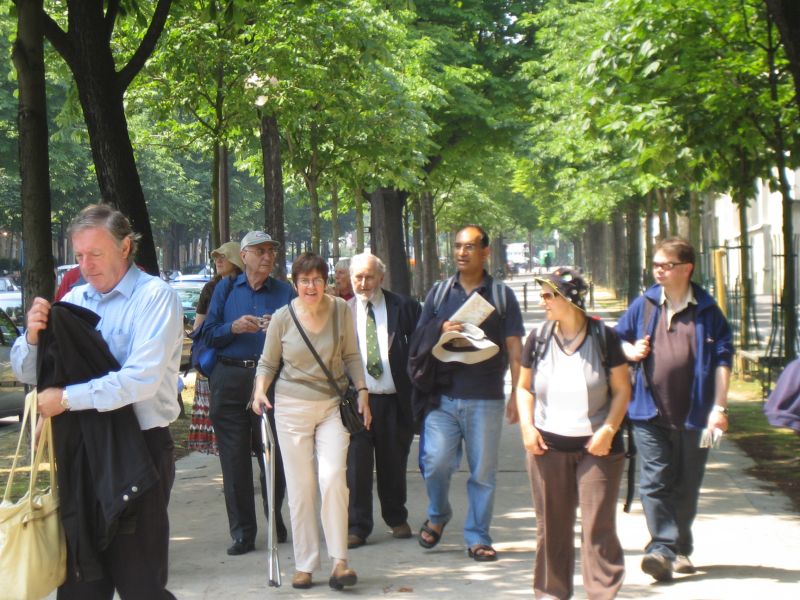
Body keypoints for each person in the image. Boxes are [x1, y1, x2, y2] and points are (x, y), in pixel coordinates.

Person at [11, 204, 183, 599]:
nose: (85, 265)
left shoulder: (155, 298)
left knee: (142, 585)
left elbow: (139, 381)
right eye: (79, 256)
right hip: (82, 456)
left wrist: (65, 399)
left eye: (96, 254)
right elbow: (27, 370)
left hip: (138, 452)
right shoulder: (74, 299)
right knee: (80, 586)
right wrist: (33, 337)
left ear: (125, 247)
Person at [251, 252, 371, 590]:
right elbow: (267, 364)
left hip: (333, 405)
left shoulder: (339, 310)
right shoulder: (282, 318)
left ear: (326, 281)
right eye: (304, 280)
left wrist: (362, 390)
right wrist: (260, 391)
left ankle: (340, 562)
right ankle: (305, 564)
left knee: (333, 478)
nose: (311, 286)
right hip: (291, 408)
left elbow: (351, 355)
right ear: (295, 283)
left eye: (317, 279)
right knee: (301, 489)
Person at [616, 236, 732, 582]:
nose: (659, 271)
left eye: (666, 265)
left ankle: (679, 548)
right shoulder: (645, 304)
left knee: (687, 482)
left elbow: (724, 360)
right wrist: (630, 350)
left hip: (697, 416)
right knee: (654, 480)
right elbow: (614, 340)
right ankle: (662, 549)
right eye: (655, 265)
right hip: (648, 411)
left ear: (687, 268)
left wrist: (720, 407)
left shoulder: (709, 311)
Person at [517, 267, 631, 599]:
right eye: (541, 294)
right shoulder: (537, 338)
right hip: (548, 447)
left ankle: (601, 594)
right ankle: (552, 594)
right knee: (551, 528)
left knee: (598, 528)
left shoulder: (603, 338)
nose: (542, 301)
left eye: (548, 295)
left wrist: (609, 429)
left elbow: (623, 389)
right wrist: (527, 427)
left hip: (599, 448)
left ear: (570, 299)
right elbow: (524, 389)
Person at [414, 224, 524, 562]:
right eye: (458, 246)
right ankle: (438, 513)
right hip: (442, 397)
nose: (462, 252)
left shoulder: (501, 296)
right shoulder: (439, 293)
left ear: (486, 252)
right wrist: (440, 328)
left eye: (471, 246)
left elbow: (515, 349)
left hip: (486, 398)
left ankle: (478, 536)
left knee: (482, 473)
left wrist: (518, 393)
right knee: (435, 463)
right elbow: (420, 338)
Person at [203, 231, 294, 555]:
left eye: (271, 251)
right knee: (234, 461)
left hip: (270, 382)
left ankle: (275, 517)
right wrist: (233, 328)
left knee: (274, 457)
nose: (268, 256)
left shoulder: (285, 291)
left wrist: (279, 329)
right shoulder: (225, 289)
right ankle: (243, 532)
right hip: (229, 380)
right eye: (260, 251)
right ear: (244, 256)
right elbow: (207, 334)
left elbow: (302, 336)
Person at [345, 253, 421, 548]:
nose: (363, 283)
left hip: (394, 400)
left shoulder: (405, 307)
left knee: (393, 463)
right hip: (356, 403)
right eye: (358, 277)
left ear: (381, 277)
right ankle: (358, 526)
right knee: (357, 468)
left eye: (369, 277)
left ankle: (396, 517)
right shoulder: (342, 311)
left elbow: (419, 349)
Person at [186, 241, 244, 454]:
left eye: (224, 257)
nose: (218, 261)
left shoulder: (245, 285)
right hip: (214, 359)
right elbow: (199, 327)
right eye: (216, 257)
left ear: (237, 259)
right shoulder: (210, 287)